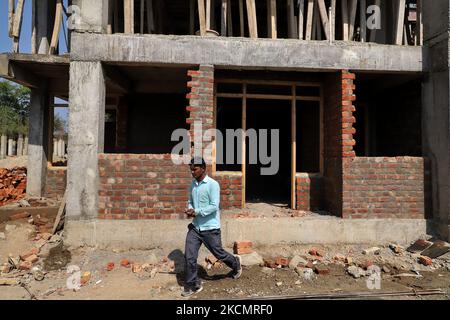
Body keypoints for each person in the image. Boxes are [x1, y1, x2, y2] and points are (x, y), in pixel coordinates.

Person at [182, 157, 242, 297]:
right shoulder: (193, 185)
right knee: (189, 256)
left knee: (218, 253)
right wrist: (190, 209)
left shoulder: (212, 184)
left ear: (203, 168)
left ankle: (235, 263)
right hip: (195, 227)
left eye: (195, 169)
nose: (192, 172)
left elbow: (214, 206)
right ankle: (193, 285)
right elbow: (190, 201)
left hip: (210, 228)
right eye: (191, 169)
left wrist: (197, 211)